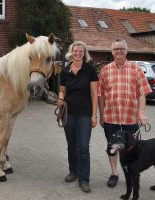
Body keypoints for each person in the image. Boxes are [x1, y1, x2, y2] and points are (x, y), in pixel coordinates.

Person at [98, 38, 152, 188]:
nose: (119, 51)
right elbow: (101, 95)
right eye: (116, 49)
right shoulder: (105, 70)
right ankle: (114, 173)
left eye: (122, 48)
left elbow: (142, 93)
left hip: (130, 118)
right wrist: (102, 115)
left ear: (126, 51)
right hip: (111, 117)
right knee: (112, 147)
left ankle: (131, 173)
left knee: (131, 148)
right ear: (112, 51)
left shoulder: (136, 69)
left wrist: (141, 113)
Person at [57, 41, 98, 193]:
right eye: (75, 51)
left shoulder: (90, 70)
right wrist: (60, 98)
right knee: (71, 145)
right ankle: (73, 171)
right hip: (68, 114)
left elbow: (94, 94)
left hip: (85, 115)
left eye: (81, 51)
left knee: (83, 147)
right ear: (71, 52)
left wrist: (94, 115)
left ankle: (84, 179)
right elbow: (62, 90)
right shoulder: (65, 70)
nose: (78, 53)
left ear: (84, 53)